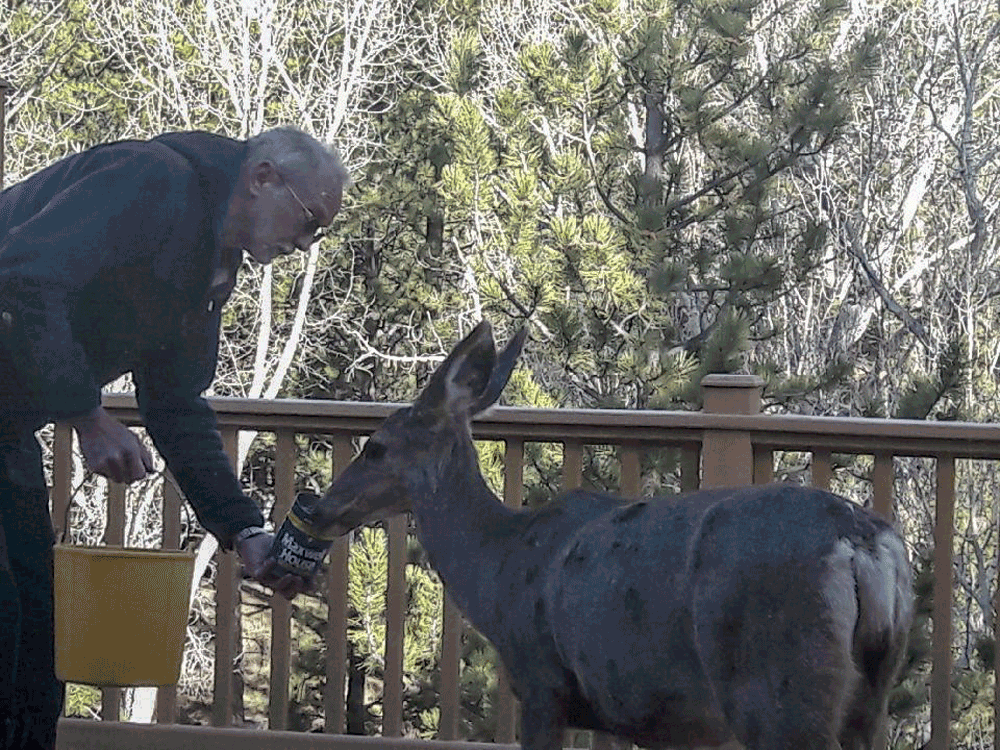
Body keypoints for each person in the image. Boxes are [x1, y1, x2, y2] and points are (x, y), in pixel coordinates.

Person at [0, 126, 347, 748]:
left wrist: (243, 531)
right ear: (263, 176)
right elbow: (23, 277)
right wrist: (87, 414)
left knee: (34, 641)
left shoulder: (209, 268)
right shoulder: (151, 180)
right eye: (308, 222)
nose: (305, 243)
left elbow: (177, 405)